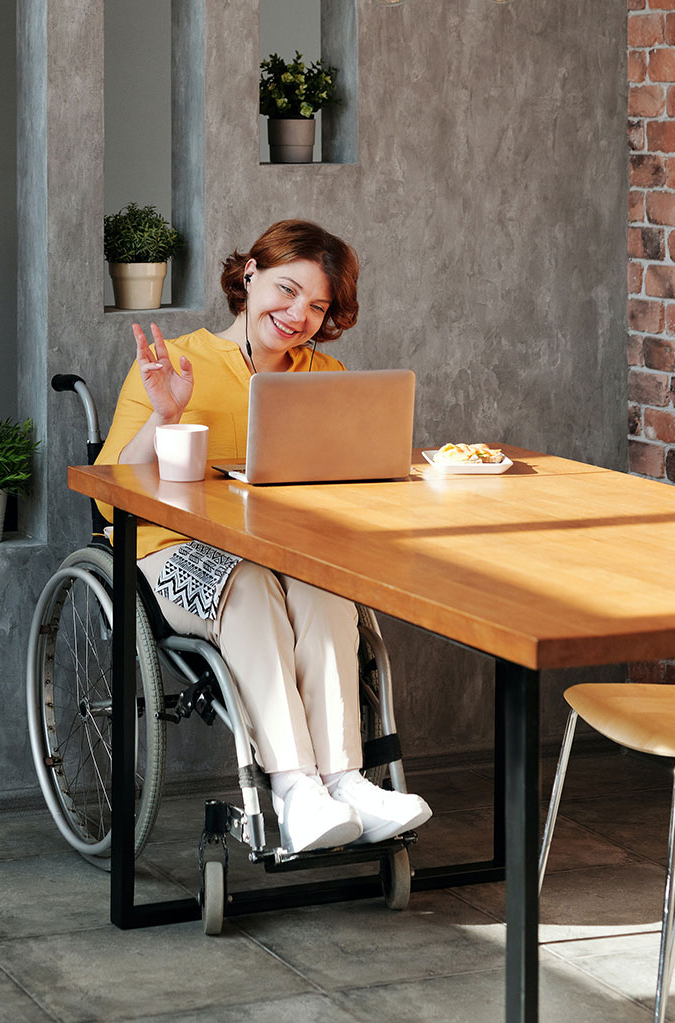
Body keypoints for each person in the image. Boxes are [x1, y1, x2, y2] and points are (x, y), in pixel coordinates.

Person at [96, 219, 431, 853]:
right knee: (248, 583)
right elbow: (114, 497)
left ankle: (347, 781)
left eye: (318, 305)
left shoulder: (324, 373)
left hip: (283, 553)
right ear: (249, 274)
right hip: (171, 553)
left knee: (326, 585)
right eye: (286, 289)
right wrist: (166, 413)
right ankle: (295, 789)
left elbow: (347, 482)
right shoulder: (176, 361)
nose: (298, 314)